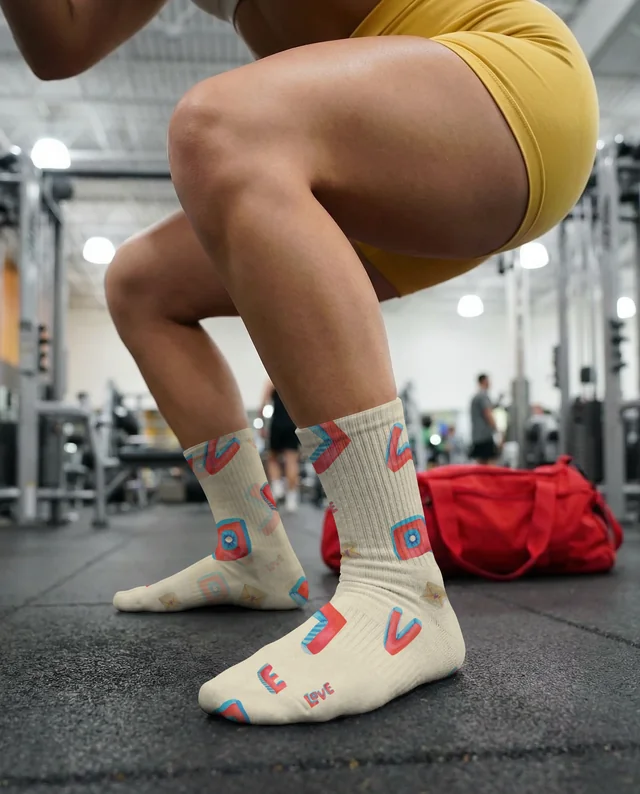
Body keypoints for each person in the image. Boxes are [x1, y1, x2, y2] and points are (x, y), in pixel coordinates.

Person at [1, 0, 598, 726]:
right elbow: (58, 46)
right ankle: (250, 549)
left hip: (499, 82)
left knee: (221, 125)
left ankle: (399, 585)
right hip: (397, 144)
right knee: (139, 285)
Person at [260, 379, 300, 513]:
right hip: (292, 424)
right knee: (292, 460)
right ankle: (291, 500)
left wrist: (261, 424)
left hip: (277, 424)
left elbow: (264, 402)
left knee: (272, 457)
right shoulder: (295, 382)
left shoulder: (272, 381)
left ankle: (277, 487)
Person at [470, 374, 500, 465]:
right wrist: (496, 430)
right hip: (485, 436)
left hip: (477, 437)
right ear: (484, 381)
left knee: (481, 463)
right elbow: (488, 413)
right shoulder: (483, 396)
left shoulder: (475, 397)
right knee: (489, 463)